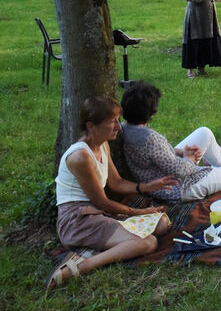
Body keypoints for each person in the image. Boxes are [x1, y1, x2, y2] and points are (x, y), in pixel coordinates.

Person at [48, 97, 177, 290]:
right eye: (113, 122)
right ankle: (82, 265)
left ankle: (95, 249)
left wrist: (146, 187)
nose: (119, 127)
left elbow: (116, 183)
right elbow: (102, 203)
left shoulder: (103, 145)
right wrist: (140, 213)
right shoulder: (80, 156)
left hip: (97, 214)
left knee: (161, 223)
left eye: (118, 120)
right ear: (91, 126)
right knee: (149, 243)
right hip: (77, 220)